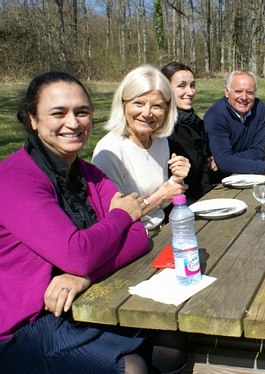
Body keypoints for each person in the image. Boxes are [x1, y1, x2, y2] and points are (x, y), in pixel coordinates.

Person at [0, 71, 151, 373]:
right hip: (24, 325)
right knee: (131, 368)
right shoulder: (14, 179)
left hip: (83, 302)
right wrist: (121, 215)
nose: (73, 123)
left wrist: (84, 276)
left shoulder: (89, 173)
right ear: (33, 119)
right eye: (59, 113)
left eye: (82, 112)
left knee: (169, 345)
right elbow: (77, 253)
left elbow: (138, 236)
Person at [92, 65, 190, 232]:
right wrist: (161, 196)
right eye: (138, 103)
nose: (147, 113)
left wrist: (175, 182)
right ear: (123, 104)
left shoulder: (159, 141)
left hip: (162, 229)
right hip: (132, 240)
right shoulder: (110, 151)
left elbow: (164, 198)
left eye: (156, 106)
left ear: (167, 109)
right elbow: (113, 220)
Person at [204, 70, 265, 178]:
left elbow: (259, 151)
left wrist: (228, 160)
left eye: (249, 92)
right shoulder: (216, 116)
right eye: (238, 91)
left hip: (244, 174)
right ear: (226, 92)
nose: (244, 97)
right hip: (217, 182)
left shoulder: (258, 108)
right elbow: (224, 164)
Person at [161, 62, 213, 204]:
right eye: (181, 86)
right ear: (165, 89)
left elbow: (203, 171)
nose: (190, 92)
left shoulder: (196, 122)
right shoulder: (161, 129)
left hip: (202, 199)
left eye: (192, 85)